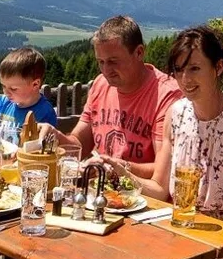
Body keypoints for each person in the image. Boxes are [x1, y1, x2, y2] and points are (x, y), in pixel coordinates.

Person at [100, 26, 223, 259]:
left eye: (194, 68)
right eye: (179, 70)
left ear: (218, 68)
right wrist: (123, 172)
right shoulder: (176, 114)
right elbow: (160, 190)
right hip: (181, 231)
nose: (185, 79)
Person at [69, 15, 182, 178]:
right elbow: (79, 143)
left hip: (144, 198)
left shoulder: (167, 96)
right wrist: (55, 136)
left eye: (113, 61)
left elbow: (164, 172)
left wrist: (118, 167)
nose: (106, 70)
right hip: (101, 193)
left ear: (139, 53)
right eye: (100, 62)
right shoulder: (100, 84)